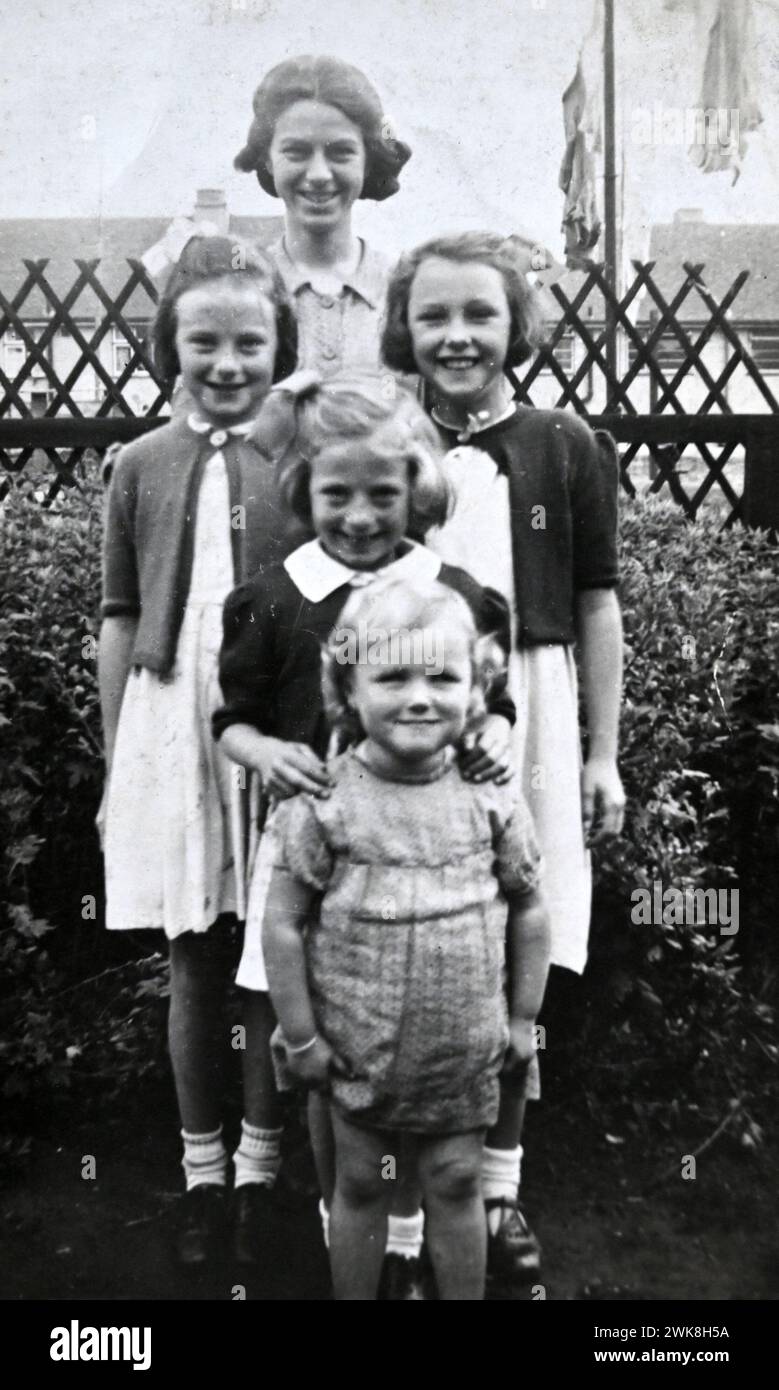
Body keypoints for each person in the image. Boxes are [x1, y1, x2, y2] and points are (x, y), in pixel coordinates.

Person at [212, 370, 518, 1294]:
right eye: (336, 494)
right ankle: (334, 1217)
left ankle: (413, 1241)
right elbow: (230, 718)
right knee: (329, 1055)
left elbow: (492, 700)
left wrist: (498, 733)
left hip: (426, 855)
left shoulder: (451, 590)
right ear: (305, 490)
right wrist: (263, 750)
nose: (357, 516)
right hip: (319, 859)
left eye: (381, 494)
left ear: (415, 490)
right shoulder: (272, 596)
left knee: (423, 1042)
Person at [382, 230, 625, 1289]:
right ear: (405, 328)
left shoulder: (565, 443)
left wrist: (601, 755)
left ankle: (497, 1188)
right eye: (432, 315)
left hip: (530, 713)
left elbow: (594, 605)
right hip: (408, 715)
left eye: (479, 314)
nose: (456, 335)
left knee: (511, 957)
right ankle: (395, 1212)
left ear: (515, 326)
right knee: (404, 947)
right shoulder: (386, 440)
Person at [261, 575, 551, 1300]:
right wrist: (300, 1038)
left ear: (476, 689)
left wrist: (521, 1019)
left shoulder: (489, 797)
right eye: (391, 676)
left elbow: (529, 908)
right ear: (347, 690)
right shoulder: (324, 803)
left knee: (454, 1181)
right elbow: (282, 924)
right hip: (357, 1047)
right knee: (359, 1181)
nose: (419, 696)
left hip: (462, 1048)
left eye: (442, 676)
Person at [98, 234, 298, 1271]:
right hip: (170, 728)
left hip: (269, 730)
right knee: (191, 956)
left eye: (248, 344)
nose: (226, 364)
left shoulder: (296, 459)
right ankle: (201, 1175)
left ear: (279, 347)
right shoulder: (138, 462)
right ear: (169, 346)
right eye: (203, 342)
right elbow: (120, 619)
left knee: (268, 953)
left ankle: (265, 1174)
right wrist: (113, 762)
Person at [234, 54, 411, 377]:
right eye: (297, 152)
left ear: (368, 160)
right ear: (268, 160)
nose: (318, 173)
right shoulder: (238, 286)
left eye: (340, 152)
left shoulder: (405, 286)